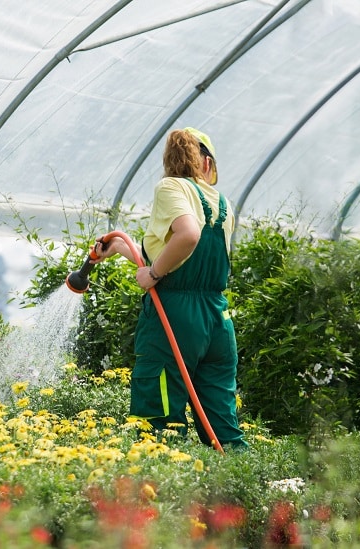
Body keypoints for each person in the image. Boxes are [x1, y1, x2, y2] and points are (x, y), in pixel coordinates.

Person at [92, 127, 246, 449]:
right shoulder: (222, 202)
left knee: (160, 420)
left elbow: (187, 237)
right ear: (206, 163)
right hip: (217, 319)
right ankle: (244, 490)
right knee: (222, 424)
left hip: (176, 316)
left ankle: (162, 491)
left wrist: (155, 273)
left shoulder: (170, 187)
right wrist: (123, 249)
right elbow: (178, 254)